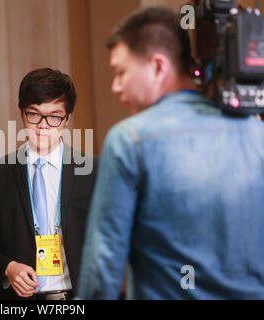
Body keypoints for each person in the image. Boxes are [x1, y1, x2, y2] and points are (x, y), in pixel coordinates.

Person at [77, 6, 264, 300]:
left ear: (158, 66)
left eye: (120, 72)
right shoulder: (257, 133)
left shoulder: (128, 140)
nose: (115, 86)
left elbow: (102, 273)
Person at [0, 68, 98, 300]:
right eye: (34, 114)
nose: (43, 125)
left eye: (54, 116)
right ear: (21, 113)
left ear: (67, 119)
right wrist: (8, 267)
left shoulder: (91, 171)